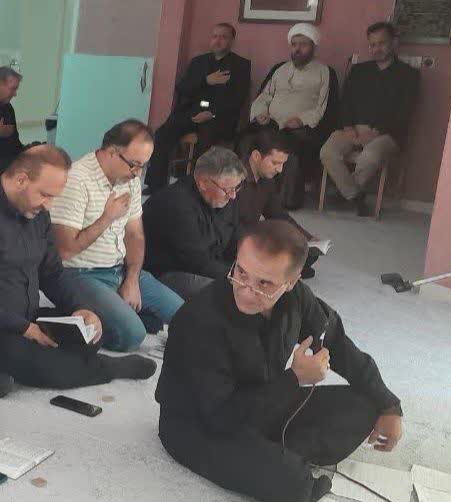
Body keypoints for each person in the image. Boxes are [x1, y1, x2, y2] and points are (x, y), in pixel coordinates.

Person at [156, 221, 404, 502]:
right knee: (292, 484)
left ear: (291, 282)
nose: (246, 291)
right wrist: (294, 379)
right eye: (241, 272)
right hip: (199, 425)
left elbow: (336, 343)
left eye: (264, 283)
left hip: (264, 402)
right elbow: (221, 418)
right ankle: (277, 456)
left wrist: (389, 405)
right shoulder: (200, 320)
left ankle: (272, 450)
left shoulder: (296, 298)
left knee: (366, 406)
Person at [0, 145, 160, 398]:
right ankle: (108, 368)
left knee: (87, 334)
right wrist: (23, 328)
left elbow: (52, 273)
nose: (49, 205)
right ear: (21, 180)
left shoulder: (36, 212)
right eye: (45, 195)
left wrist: (81, 308)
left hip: (21, 317)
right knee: (25, 355)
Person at [49, 119, 183, 352]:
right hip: (79, 273)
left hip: (118, 269)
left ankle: (115, 309)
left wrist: (132, 279)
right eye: (134, 165)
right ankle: (81, 315)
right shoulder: (77, 179)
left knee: (184, 314)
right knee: (132, 335)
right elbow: (66, 250)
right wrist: (106, 218)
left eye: (143, 166)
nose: (137, 173)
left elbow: (135, 235)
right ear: (111, 152)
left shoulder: (129, 180)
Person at [321, 22, 419, 217]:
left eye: (382, 43)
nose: (376, 49)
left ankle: (345, 192)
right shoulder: (359, 71)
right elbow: (345, 102)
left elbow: (404, 112)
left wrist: (375, 132)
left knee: (370, 156)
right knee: (328, 151)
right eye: (372, 45)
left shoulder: (409, 75)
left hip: (386, 133)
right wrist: (349, 128)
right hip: (352, 129)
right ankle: (355, 195)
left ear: (394, 43)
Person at [144, 23, 251, 194]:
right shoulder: (198, 62)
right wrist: (206, 81)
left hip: (218, 117)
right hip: (192, 113)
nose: (218, 40)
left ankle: (195, 189)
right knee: (163, 133)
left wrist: (212, 113)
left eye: (223, 37)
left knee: (206, 139)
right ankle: (156, 185)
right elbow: (182, 88)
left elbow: (238, 98)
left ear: (232, 41)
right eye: (215, 36)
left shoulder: (241, 65)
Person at [142, 146, 245, 300]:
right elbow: (198, 262)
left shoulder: (225, 198)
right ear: (203, 182)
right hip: (168, 273)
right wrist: (238, 276)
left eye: (236, 187)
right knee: (232, 294)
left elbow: (236, 239)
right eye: (228, 189)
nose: (233, 195)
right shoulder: (176, 203)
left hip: (207, 266)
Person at [247, 23, 331, 209]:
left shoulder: (324, 72)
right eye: (294, 44)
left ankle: (286, 201)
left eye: (303, 44)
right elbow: (265, 95)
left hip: (300, 129)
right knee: (248, 140)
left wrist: (302, 120)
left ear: (313, 47)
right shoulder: (280, 69)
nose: (297, 49)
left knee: (289, 151)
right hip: (270, 123)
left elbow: (323, 106)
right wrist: (260, 112)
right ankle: (246, 192)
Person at [236, 126, 321, 278]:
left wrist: (307, 238)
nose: (280, 170)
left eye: (282, 164)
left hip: (252, 236)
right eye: (275, 163)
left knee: (306, 251)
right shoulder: (235, 179)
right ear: (256, 156)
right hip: (236, 241)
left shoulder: (267, 180)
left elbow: (278, 214)